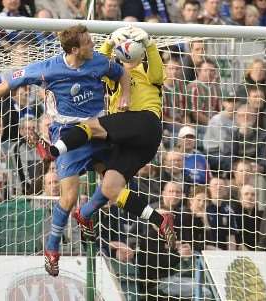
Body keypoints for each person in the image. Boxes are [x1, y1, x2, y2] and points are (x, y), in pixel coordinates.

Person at [0, 24, 130, 276]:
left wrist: (125, 97)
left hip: (99, 130)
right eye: (88, 41)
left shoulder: (99, 61)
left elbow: (121, 73)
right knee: (68, 198)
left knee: (116, 186)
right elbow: (9, 82)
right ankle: (52, 247)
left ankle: (86, 213)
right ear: (75, 49)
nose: (93, 44)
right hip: (68, 133)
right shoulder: (48, 68)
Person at [40, 26, 177, 255]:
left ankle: (53, 152)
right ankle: (159, 219)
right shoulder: (114, 79)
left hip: (145, 122)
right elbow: (97, 62)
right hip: (134, 143)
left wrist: (150, 45)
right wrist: (110, 43)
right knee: (111, 188)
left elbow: (157, 75)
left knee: (90, 126)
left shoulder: (147, 69)